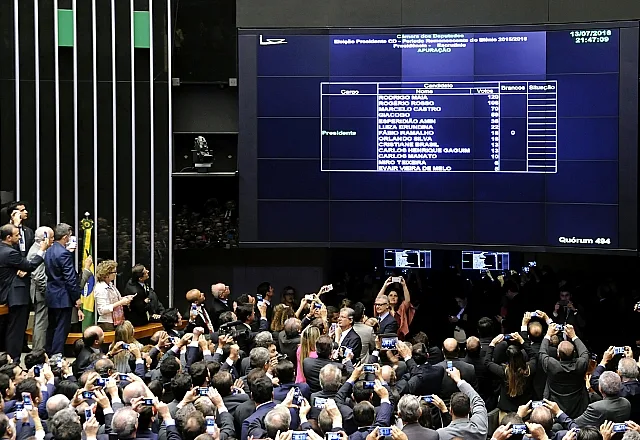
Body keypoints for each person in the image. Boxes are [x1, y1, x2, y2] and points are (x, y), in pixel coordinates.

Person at [0, 224, 48, 360]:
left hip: (8, 293)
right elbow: (29, 266)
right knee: (16, 330)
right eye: (17, 235)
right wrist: (42, 251)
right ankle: (13, 360)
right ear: (8, 237)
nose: (20, 237)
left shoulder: (5, 249)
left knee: (11, 329)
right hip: (15, 295)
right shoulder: (10, 253)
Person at [44, 223, 83, 355]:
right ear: (65, 237)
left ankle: (49, 354)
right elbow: (70, 279)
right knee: (61, 328)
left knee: (52, 327)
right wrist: (76, 297)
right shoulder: (64, 254)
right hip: (63, 296)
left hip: (51, 294)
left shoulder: (49, 250)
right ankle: (57, 356)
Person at [539, 323, 589, 418]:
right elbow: (584, 352)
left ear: (558, 354)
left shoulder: (552, 366)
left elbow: (542, 353)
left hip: (556, 409)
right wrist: (574, 336)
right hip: (577, 409)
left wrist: (548, 335)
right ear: (574, 353)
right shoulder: (580, 365)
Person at [484, 333, 536, 416]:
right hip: (525, 412)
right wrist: (522, 341)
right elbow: (534, 356)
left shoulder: (504, 371)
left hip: (506, 414)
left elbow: (487, 362)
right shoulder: (528, 370)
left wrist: (492, 343)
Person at [436, 367, 488, 440]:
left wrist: (444, 409)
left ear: (451, 411)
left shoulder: (440, 435)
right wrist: (458, 380)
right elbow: (477, 400)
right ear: (470, 409)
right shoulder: (480, 428)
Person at [26, 226, 54, 351]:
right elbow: (38, 277)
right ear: (45, 239)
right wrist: (46, 291)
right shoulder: (36, 252)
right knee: (41, 322)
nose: (53, 240)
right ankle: (38, 351)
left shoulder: (39, 249)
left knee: (42, 321)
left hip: (41, 291)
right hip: (41, 292)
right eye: (51, 237)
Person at [94, 260, 134, 331]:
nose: (116, 274)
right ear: (106, 274)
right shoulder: (100, 288)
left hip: (117, 320)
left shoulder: (111, 285)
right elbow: (102, 309)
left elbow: (116, 300)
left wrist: (125, 298)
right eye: (114, 272)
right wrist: (121, 302)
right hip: (108, 323)